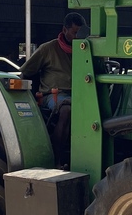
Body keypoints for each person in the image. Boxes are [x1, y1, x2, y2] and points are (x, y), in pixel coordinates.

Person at [20, 12, 86, 166]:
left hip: (81, 95)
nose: (78, 37)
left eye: (81, 33)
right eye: (75, 33)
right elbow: (26, 71)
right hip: (54, 95)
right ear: (65, 30)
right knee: (66, 110)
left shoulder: (85, 51)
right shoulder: (48, 49)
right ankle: (56, 160)